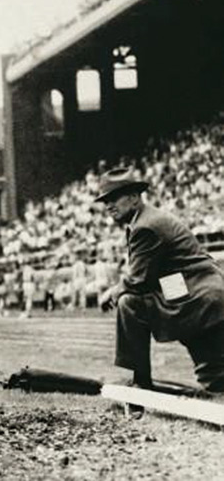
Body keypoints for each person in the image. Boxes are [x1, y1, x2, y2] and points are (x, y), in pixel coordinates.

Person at [97, 168, 224, 394]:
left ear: (135, 198)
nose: (108, 206)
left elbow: (137, 280)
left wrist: (113, 292)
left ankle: (141, 382)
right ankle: (141, 382)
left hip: (197, 297)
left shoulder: (146, 225)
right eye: (105, 201)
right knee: (215, 381)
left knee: (129, 303)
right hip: (194, 293)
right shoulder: (146, 219)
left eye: (113, 198)